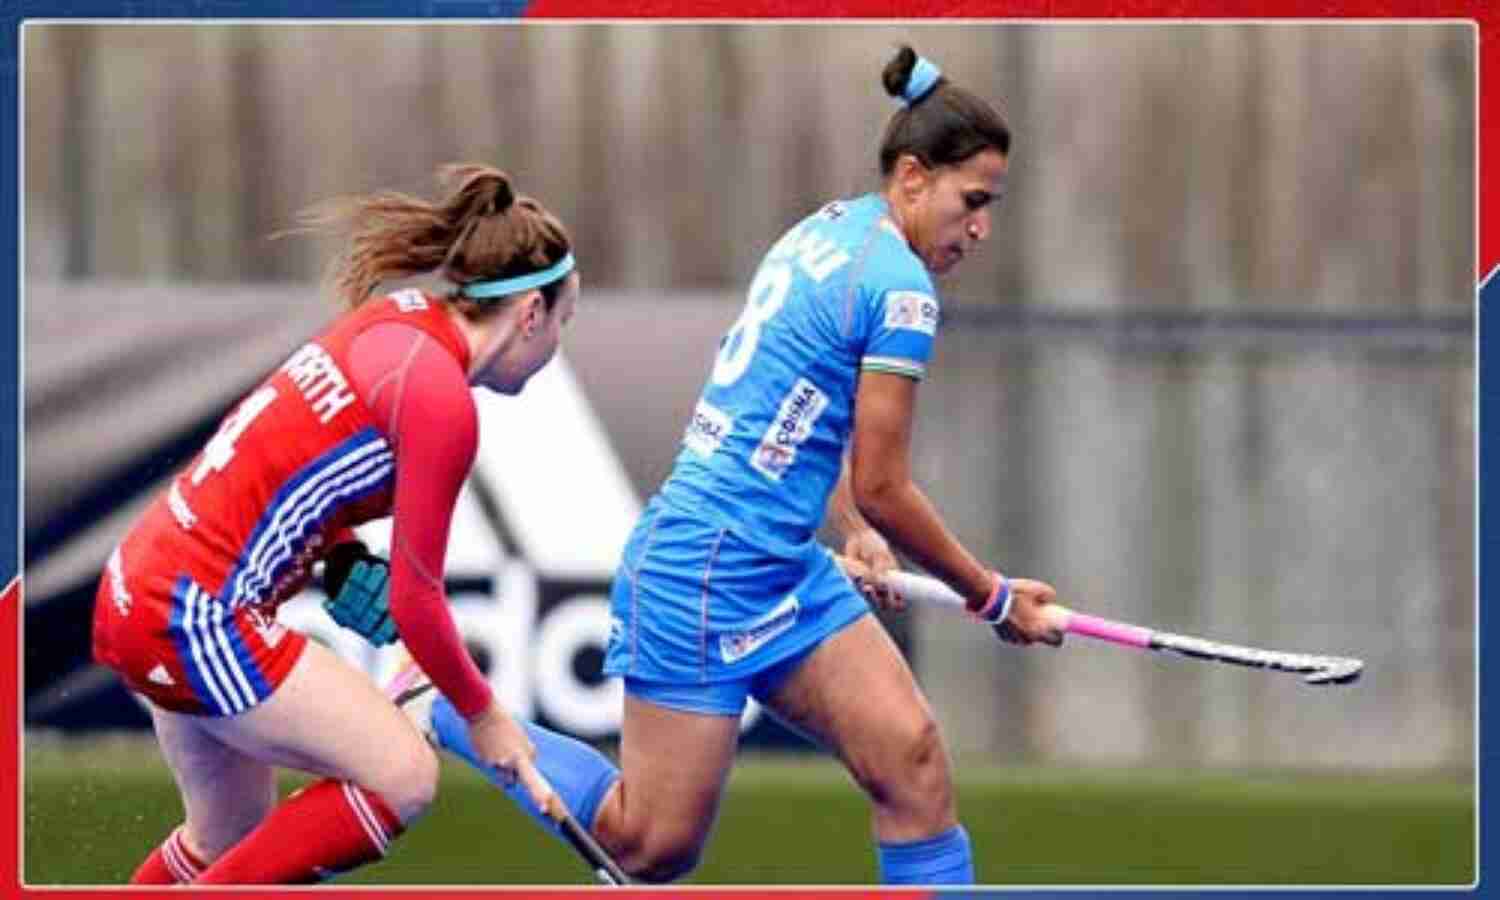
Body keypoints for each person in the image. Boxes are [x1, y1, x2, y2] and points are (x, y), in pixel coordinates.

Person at [385, 45, 1064, 885]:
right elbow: (886, 487)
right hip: (705, 570)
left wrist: (853, 527)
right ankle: (444, 707)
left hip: (780, 566)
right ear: (914, 177)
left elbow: (800, 410)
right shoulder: (901, 290)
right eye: (974, 202)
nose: (981, 227)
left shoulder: (827, 231)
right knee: (649, 844)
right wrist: (992, 597)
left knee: (912, 763)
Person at [90, 163, 579, 884]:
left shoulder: (397, 319)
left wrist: (343, 558)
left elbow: (287, 460)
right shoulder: (442, 402)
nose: (559, 340)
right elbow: (417, 600)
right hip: (194, 612)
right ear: (531, 313)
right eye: (565, 320)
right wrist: (485, 717)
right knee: (402, 776)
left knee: (225, 841)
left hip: (145, 583)